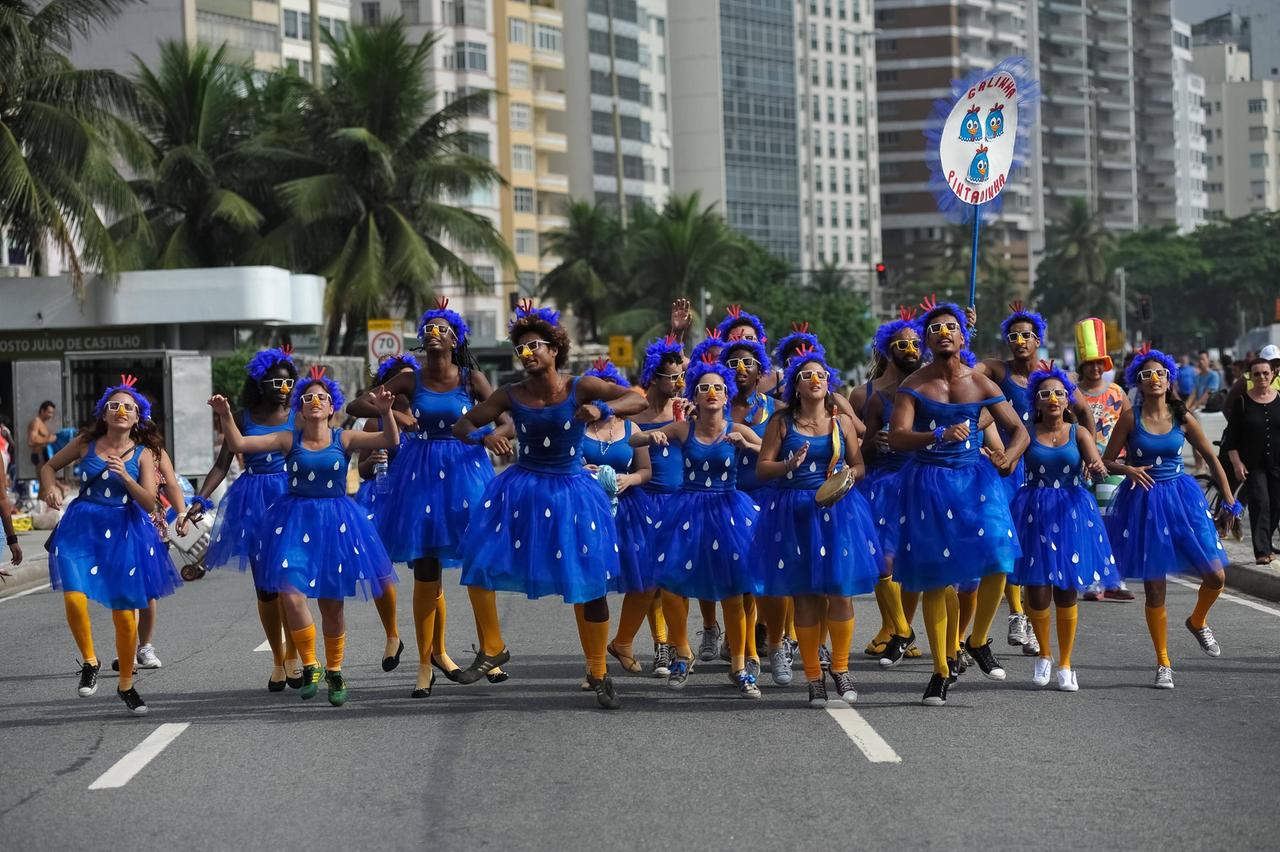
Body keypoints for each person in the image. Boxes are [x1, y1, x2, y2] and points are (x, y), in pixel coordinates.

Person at [452, 301, 647, 710]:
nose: (527, 354)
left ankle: (598, 671)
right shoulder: (510, 393)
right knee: (480, 564)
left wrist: (603, 408)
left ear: (554, 350)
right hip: (521, 490)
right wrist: (485, 437)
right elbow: (463, 424)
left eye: (535, 346)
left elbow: (638, 399)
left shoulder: (581, 385)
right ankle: (493, 647)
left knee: (590, 584)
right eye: (521, 348)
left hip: (574, 492)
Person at [347, 300, 512, 698]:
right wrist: (396, 415)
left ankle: (490, 649)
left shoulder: (471, 379)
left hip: (465, 472)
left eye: (442, 328)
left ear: (455, 339)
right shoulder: (409, 378)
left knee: (476, 561)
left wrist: (488, 433)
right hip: (419, 475)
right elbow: (356, 404)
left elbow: (506, 417)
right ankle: (425, 664)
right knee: (426, 569)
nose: (434, 333)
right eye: (429, 328)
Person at [209, 368, 401, 706]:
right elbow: (239, 444)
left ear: (331, 408)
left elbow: (390, 441)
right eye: (308, 397)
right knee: (290, 592)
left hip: (336, 524)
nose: (315, 402)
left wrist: (386, 411)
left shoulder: (344, 438)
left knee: (332, 606)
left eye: (321, 398)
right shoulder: (288, 440)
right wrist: (225, 415)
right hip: (295, 521)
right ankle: (311, 665)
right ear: (301, 407)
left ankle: (336, 671)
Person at [888, 298, 1029, 706]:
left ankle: (980, 640)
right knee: (936, 577)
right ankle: (940, 671)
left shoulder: (982, 383)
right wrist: (935, 436)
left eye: (950, 327)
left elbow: (1018, 429)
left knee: (1000, 556)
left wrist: (1009, 456)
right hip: (928, 482)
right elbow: (897, 437)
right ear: (928, 340)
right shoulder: (912, 385)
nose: (944, 332)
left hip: (976, 480)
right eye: (935, 329)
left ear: (962, 335)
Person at [41, 376, 182, 715]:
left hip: (124, 529)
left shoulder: (146, 454)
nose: (120, 411)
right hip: (81, 527)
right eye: (114, 406)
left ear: (137, 418)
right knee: (74, 599)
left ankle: (126, 685)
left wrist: (127, 477)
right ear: (104, 414)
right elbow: (48, 466)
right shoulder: (85, 443)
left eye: (128, 408)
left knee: (125, 615)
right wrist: (50, 488)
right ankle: (90, 661)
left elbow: (150, 502)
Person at [1103, 346, 1237, 689]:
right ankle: (1163, 662)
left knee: (1216, 576)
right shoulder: (1130, 417)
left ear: (1169, 378)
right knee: (1155, 587)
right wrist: (1128, 468)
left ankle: (1197, 620)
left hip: (1183, 500)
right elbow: (1105, 461)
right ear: (1138, 382)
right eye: (1146, 375)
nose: (1154, 379)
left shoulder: (1183, 415)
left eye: (1159, 373)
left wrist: (1229, 497)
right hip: (1144, 503)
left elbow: (1210, 455)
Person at [631, 354, 764, 698]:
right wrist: (653, 438)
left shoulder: (736, 429)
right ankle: (683, 654)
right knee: (673, 587)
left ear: (726, 393)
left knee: (734, 592)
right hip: (687, 510)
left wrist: (747, 444)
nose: (711, 393)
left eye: (718, 388)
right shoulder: (682, 428)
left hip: (729, 510)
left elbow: (770, 452)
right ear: (694, 393)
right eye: (704, 387)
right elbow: (632, 440)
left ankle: (739, 666)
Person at [755, 346, 881, 707]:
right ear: (795, 385)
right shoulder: (781, 423)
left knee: (839, 592)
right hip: (793, 513)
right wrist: (788, 466)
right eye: (807, 375)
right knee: (806, 596)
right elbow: (763, 468)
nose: (815, 380)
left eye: (821, 375)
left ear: (829, 384)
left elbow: (859, 465)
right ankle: (814, 677)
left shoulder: (841, 421)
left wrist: (845, 478)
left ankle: (840, 669)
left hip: (837, 511)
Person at [970, 302, 1095, 656]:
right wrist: (968, 331)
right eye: (1013, 336)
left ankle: (1033, 622)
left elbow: (1084, 412)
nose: (1019, 341)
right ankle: (1017, 614)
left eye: (1026, 335)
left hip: (1049, 475)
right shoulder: (997, 370)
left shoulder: (1057, 379)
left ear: (1038, 339)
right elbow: (964, 370)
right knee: (1010, 544)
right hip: (1010, 468)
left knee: (1047, 551)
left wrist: (1090, 453)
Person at [181, 346, 303, 690]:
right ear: (260, 383)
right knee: (265, 589)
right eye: (276, 381)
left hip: (291, 499)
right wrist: (200, 500)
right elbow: (222, 464)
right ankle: (278, 661)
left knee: (290, 583)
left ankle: (295, 657)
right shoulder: (243, 415)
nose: (284, 386)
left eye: (288, 381)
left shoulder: (300, 414)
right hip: (251, 502)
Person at [1011, 363, 1118, 692]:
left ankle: (1066, 663)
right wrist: (996, 460)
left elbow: (1096, 465)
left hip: (1071, 514)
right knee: (1038, 591)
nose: (1054, 398)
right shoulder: (1027, 432)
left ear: (1069, 399)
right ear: (1037, 402)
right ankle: (1044, 654)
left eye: (1060, 393)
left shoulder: (1079, 432)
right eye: (1046, 394)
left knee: (1067, 591)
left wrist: (1098, 467)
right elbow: (1008, 462)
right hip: (1034, 513)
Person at [577, 358, 658, 680]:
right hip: (587, 510)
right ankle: (593, 661)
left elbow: (646, 471)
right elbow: (563, 463)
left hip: (630, 510)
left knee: (647, 580)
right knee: (588, 584)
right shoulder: (577, 429)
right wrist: (579, 471)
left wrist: (630, 480)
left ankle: (623, 641)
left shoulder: (631, 428)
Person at [849, 307, 921, 667]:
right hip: (881, 485)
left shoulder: (935, 388)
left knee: (916, 562)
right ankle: (898, 628)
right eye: (902, 343)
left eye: (915, 342)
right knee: (884, 560)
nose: (910, 348)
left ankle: (898, 632)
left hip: (922, 482)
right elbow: (855, 451)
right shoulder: (865, 396)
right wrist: (872, 443)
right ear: (885, 350)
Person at [631, 334, 689, 676]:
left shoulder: (684, 407)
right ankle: (661, 646)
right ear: (654, 377)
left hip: (680, 501)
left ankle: (679, 645)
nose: (680, 381)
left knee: (677, 579)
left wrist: (677, 334)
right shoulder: (636, 407)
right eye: (673, 377)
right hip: (645, 502)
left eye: (681, 377)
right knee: (653, 580)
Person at [721, 337, 778, 682]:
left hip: (767, 499)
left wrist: (748, 442)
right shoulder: (712, 404)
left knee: (762, 578)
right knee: (738, 580)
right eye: (732, 364)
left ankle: (772, 642)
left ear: (761, 372)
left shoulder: (776, 409)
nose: (740, 369)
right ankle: (744, 650)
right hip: (728, 501)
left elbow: (781, 455)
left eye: (747, 364)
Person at [1073, 318, 1136, 602]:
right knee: (1087, 524)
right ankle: (1092, 580)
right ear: (1082, 365)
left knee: (1111, 523)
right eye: (1090, 363)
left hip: (1112, 467)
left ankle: (1114, 578)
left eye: (1100, 362)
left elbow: (1132, 429)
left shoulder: (1117, 393)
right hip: (1078, 468)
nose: (1095, 368)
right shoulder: (1072, 394)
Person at [1222, 357, 1280, 565]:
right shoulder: (1243, 402)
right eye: (1257, 374)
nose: (1262, 377)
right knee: (1260, 503)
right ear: (1251, 377)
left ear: (1273, 374)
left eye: (1266, 373)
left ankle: (1266, 540)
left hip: (1277, 463)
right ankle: (1262, 551)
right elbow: (1232, 439)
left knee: (1276, 505)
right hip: (1253, 465)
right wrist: (1237, 463)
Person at [27, 400, 56, 471]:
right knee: (43, 480)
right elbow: (31, 440)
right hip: (39, 455)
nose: (51, 415)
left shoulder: (43, 423)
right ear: (42, 411)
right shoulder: (36, 422)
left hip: (45, 455)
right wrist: (48, 439)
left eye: (52, 413)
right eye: (49, 412)